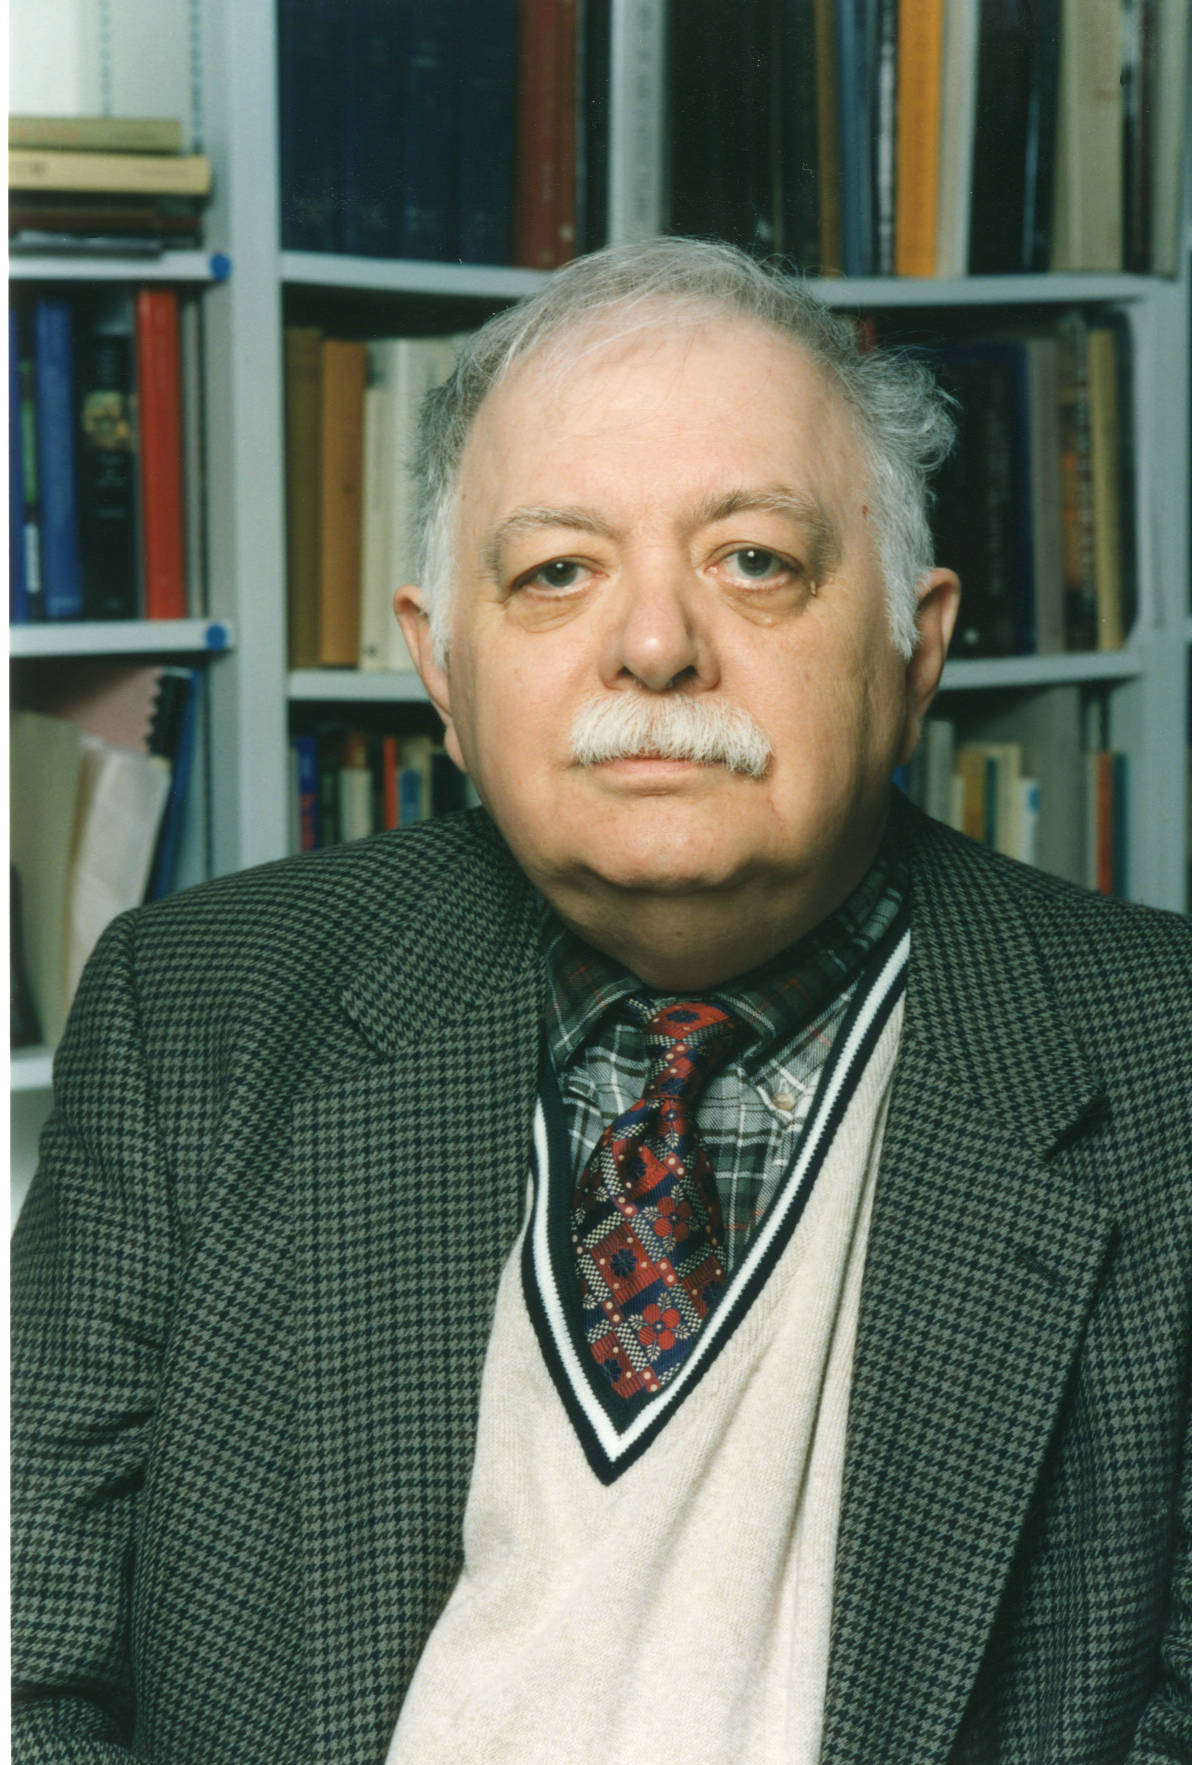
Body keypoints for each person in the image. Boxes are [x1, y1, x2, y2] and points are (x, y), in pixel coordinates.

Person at [11, 239, 1191, 1765]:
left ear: (919, 647)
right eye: (557, 571)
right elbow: (25, 1671)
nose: (654, 646)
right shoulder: (196, 1018)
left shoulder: (1169, 1064)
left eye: (754, 561)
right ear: (443, 670)